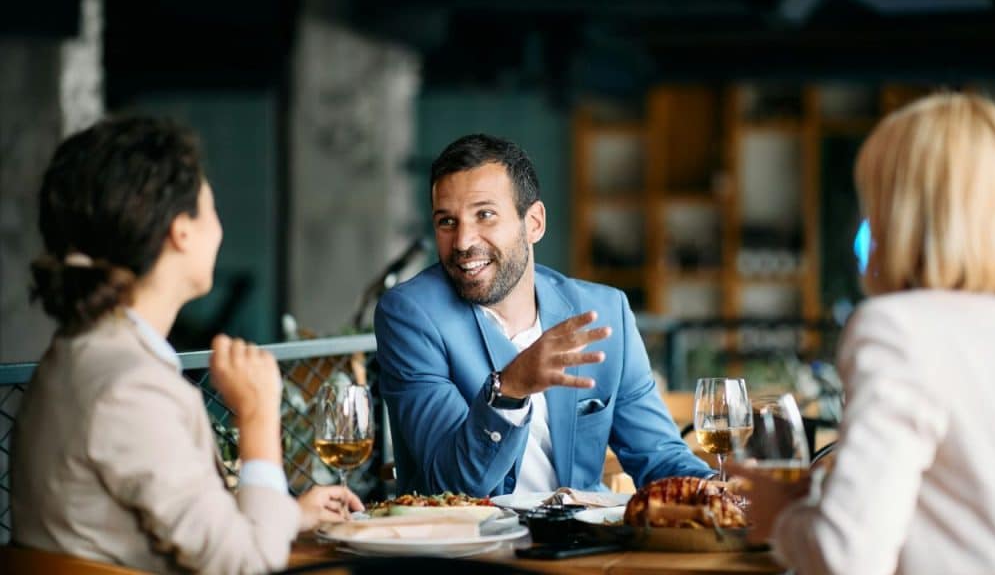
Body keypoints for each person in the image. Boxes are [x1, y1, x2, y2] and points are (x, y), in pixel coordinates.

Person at [10, 116, 363, 574]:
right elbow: (247, 565)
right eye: (211, 209)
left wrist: (289, 515)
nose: (218, 229)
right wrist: (258, 415)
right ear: (181, 230)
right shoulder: (131, 389)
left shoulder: (78, 356)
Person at [737, 93, 995, 574]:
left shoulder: (901, 328)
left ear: (902, 214)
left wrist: (776, 515)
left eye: (875, 199)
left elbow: (845, 556)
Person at [374, 133, 712, 497]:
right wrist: (509, 391)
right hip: (473, 548)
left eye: (484, 215)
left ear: (533, 222)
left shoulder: (604, 313)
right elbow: (450, 485)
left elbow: (660, 457)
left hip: (585, 543)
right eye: (446, 222)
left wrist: (713, 490)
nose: (462, 241)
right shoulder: (412, 316)